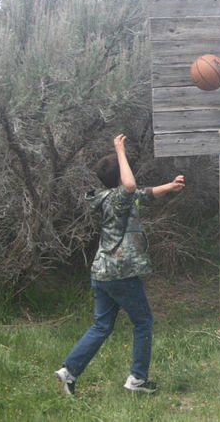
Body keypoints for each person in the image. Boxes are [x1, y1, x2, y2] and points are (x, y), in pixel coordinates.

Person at [54, 134, 185, 396]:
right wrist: (120, 150)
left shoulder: (108, 197)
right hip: (119, 273)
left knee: (102, 326)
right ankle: (137, 379)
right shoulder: (119, 197)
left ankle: (69, 371)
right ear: (121, 173)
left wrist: (169, 186)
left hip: (102, 272)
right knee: (143, 321)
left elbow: (143, 192)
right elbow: (130, 186)